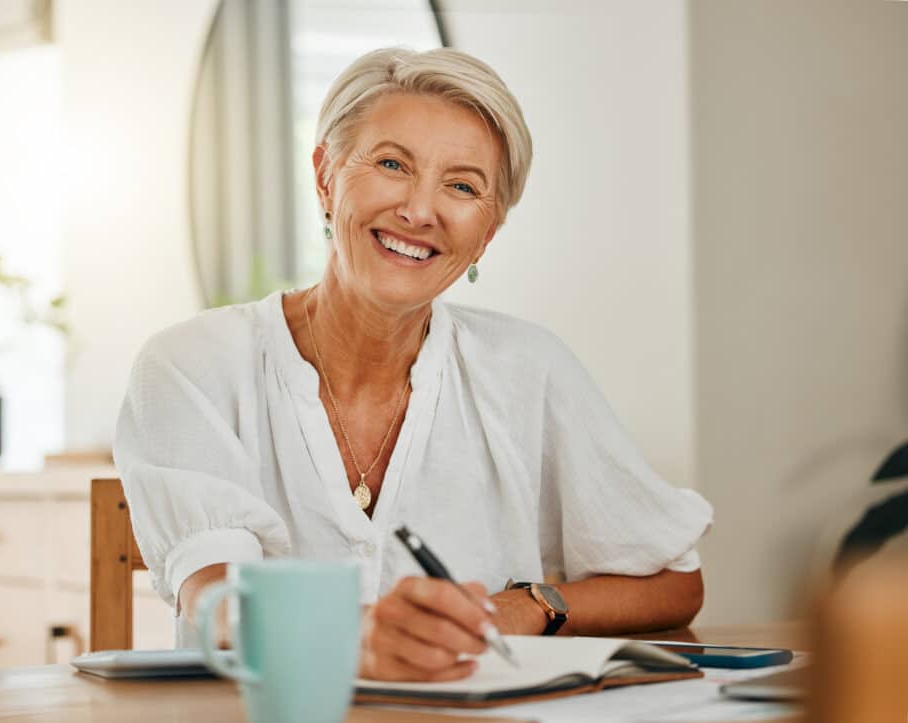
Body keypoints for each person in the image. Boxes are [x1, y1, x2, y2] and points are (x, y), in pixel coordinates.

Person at [114, 47, 713, 682]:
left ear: (488, 233)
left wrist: (531, 605)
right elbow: (217, 603)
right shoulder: (189, 364)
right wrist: (356, 638)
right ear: (325, 176)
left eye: (462, 186)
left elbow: (674, 582)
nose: (420, 211)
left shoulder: (528, 368)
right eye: (393, 164)